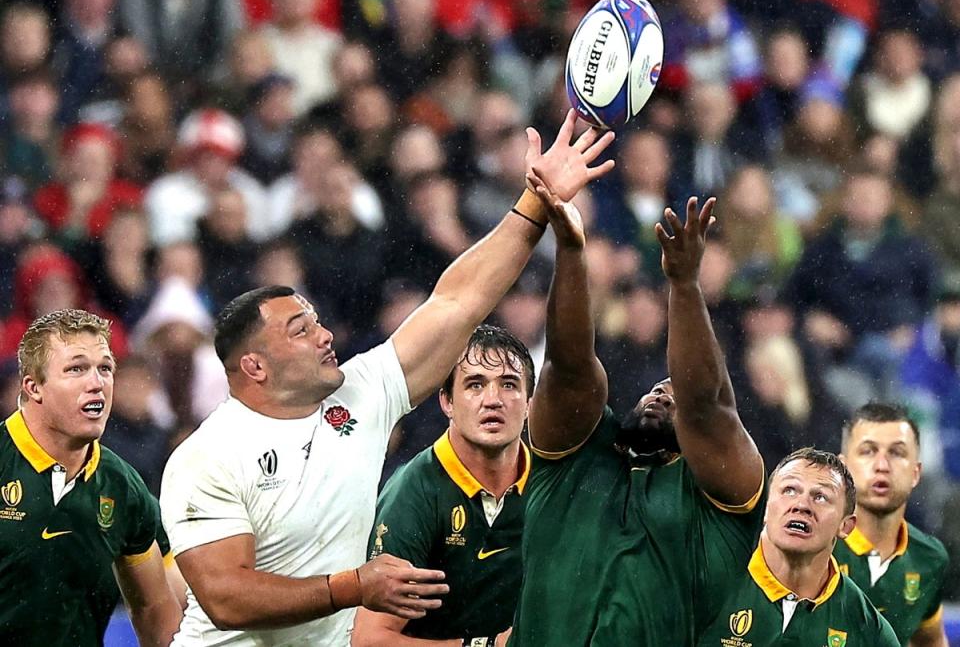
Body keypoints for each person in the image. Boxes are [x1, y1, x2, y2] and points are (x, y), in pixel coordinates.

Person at [158, 109, 615, 646]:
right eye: (301, 330)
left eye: (320, 322)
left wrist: (536, 201)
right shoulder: (207, 455)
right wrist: (353, 586)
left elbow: (457, 302)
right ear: (254, 366)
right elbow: (226, 597)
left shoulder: (360, 393)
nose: (325, 336)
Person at [511, 192, 766, 645]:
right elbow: (568, 365)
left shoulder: (721, 491)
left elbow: (705, 404)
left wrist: (685, 284)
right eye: (655, 389)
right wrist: (571, 254)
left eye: (674, 395)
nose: (662, 395)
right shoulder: (576, 455)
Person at [0, 309, 182, 645]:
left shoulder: (122, 485)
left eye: (105, 369)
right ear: (34, 387)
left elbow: (156, 606)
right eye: (76, 369)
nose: (97, 383)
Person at [352, 325, 534, 647]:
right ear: (447, 402)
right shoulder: (414, 493)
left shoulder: (550, 484)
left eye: (509, 384)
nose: (493, 400)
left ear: (530, 403)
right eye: (475, 385)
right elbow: (370, 640)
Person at [694, 448, 898, 645]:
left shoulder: (867, 628)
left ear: (845, 526)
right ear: (764, 507)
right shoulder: (707, 581)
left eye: (820, 497)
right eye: (789, 490)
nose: (801, 505)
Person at [835, 403, 949, 646]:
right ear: (843, 467)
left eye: (896, 453)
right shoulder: (810, 545)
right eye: (868, 451)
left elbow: (930, 640)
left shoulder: (929, 557)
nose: (882, 465)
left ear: (916, 473)